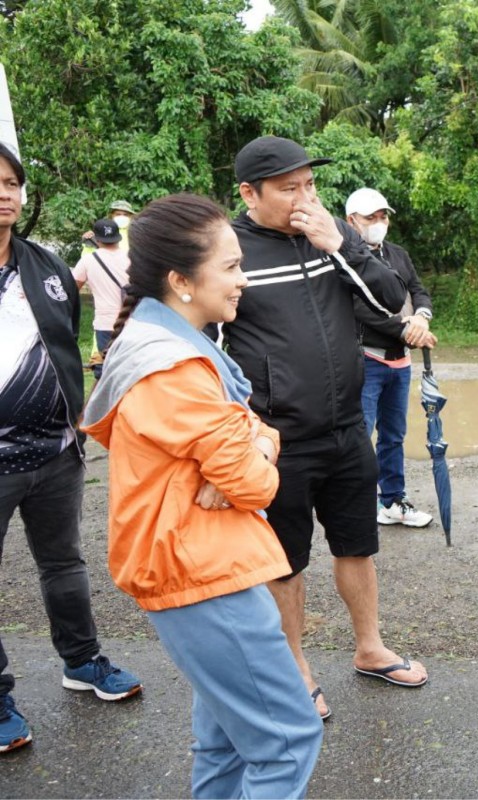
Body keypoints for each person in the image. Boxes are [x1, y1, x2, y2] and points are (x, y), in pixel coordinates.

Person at [81, 194, 323, 797]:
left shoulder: (177, 346)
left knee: (226, 742)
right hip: (200, 571)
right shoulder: (175, 368)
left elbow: (253, 435)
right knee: (289, 739)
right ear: (181, 281)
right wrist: (257, 451)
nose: (243, 281)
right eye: (232, 267)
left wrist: (254, 444)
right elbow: (257, 480)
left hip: (205, 563)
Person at [223, 136, 425, 723]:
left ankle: (370, 646)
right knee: (286, 562)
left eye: (309, 185)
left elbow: (392, 304)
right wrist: (240, 432)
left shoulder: (332, 237)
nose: (304, 198)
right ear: (249, 193)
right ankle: (296, 670)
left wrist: (342, 245)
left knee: (358, 545)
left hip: (345, 427)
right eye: (289, 189)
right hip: (278, 441)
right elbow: (209, 348)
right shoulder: (230, 250)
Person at [0, 143, 142, 756]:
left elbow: (66, 346)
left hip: (55, 452)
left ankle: (82, 662)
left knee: (65, 565)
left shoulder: (47, 265)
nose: (4, 192)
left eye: (11, 182)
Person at [344, 187, 437, 528]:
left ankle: (393, 501)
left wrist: (421, 318)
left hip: (401, 363)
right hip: (367, 359)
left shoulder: (398, 254)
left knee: (394, 435)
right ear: (351, 221)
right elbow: (360, 307)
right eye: (371, 217)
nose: (379, 223)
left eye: (383, 216)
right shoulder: (345, 259)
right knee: (361, 435)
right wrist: (404, 327)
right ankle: (356, 507)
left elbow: (418, 290)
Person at [72, 218, 130, 379]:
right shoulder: (133, 257)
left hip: (106, 324)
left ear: (97, 239)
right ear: (119, 236)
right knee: (131, 370)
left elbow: (69, 289)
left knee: (108, 373)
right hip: (135, 321)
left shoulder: (88, 261)